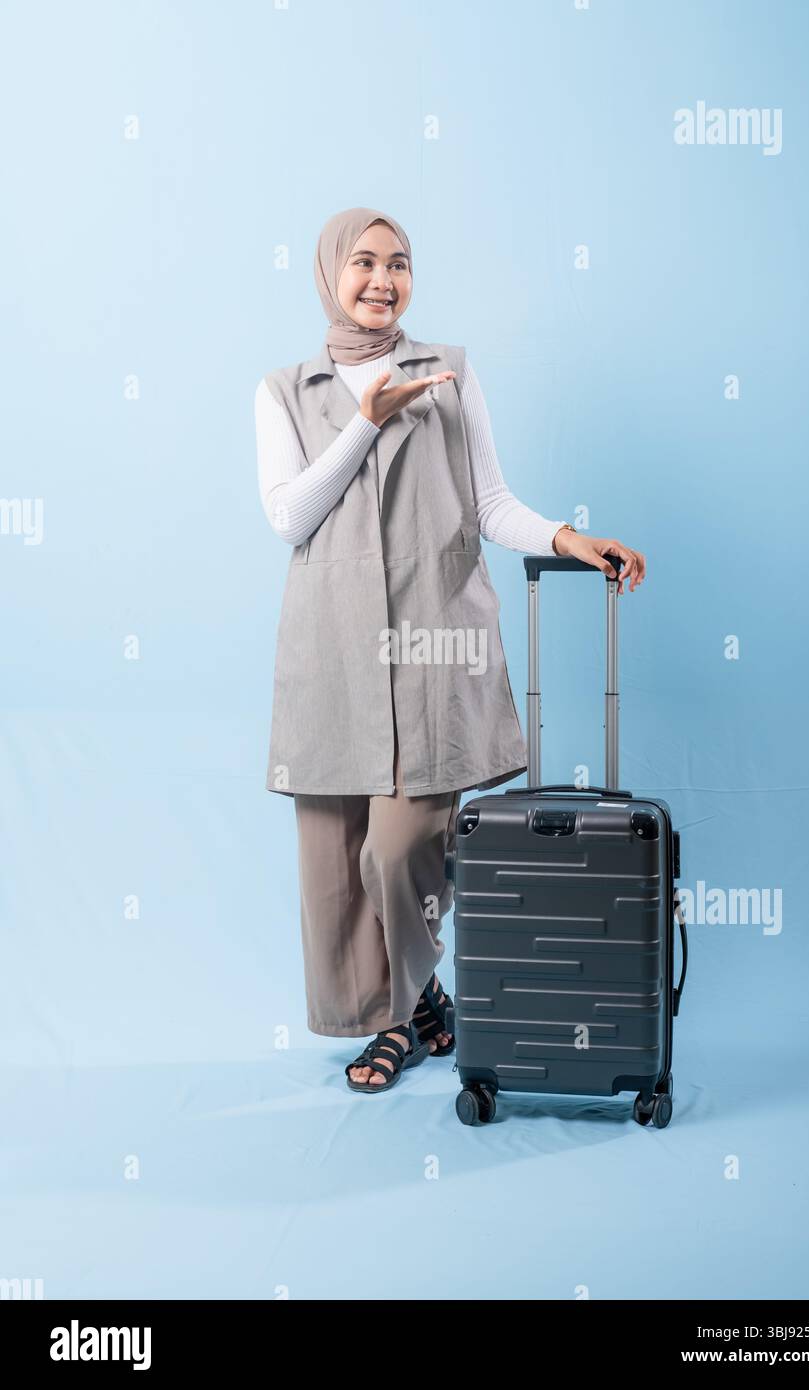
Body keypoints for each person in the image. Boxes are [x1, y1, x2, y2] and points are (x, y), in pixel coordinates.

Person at [255, 206, 645, 1094]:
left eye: (398, 264)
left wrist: (567, 536)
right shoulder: (284, 389)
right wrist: (363, 421)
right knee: (336, 866)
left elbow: (490, 502)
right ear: (329, 273)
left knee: (398, 851)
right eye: (363, 262)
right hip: (333, 654)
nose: (382, 280)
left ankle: (395, 1024)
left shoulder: (450, 372)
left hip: (434, 646)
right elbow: (289, 517)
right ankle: (421, 1005)